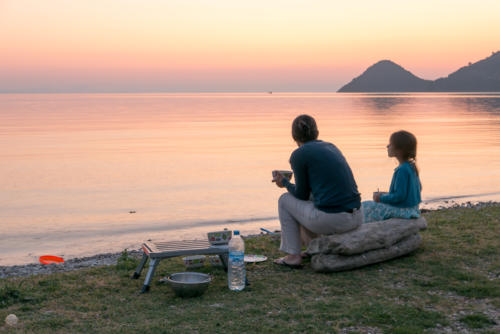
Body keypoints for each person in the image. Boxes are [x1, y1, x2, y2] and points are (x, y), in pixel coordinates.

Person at [273, 115, 363, 268]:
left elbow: (301, 194)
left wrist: (285, 183)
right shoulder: (331, 146)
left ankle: (293, 256)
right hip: (357, 216)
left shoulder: (299, 154)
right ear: (317, 132)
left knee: (284, 200)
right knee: (313, 198)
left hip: (334, 220)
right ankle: (312, 247)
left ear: (294, 136)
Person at [362, 130, 422, 223]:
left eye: (390, 144)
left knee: (365, 206)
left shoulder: (402, 170)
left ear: (399, 150)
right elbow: (415, 190)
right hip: (413, 209)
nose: (387, 146)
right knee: (369, 206)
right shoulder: (411, 167)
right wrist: (386, 194)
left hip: (404, 211)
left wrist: (380, 198)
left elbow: (400, 196)